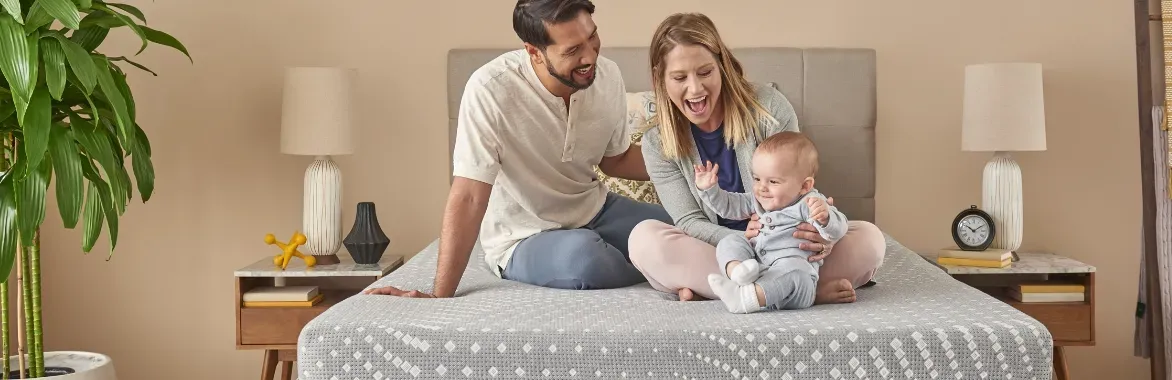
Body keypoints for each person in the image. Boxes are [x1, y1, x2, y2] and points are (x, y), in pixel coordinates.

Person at [363, 0, 673, 298]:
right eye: (573, 50)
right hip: (525, 235)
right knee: (586, 258)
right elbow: (470, 195)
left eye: (592, 37)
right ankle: (669, 270)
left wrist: (689, 162)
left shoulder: (607, 76)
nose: (590, 56)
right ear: (534, 52)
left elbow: (616, 160)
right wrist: (439, 294)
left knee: (686, 230)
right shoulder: (490, 89)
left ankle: (674, 264)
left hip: (594, 209)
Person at [628, 12, 886, 305]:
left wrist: (824, 235)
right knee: (644, 240)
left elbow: (797, 186)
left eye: (705, 73)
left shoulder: (768, 107)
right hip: (721, 251)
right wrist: (739, 240)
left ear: (722, 67)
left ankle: (735, 291)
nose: (695, 89)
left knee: (869, 239)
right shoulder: (657, 143)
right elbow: (689, 220)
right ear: (660, 79)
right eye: (679, 77)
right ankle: (801, 292)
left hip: (787, 248)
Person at [695, 131, 850, 313]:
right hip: (756, 267)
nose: (762, 188)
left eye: (773, 181)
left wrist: (825, 218)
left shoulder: (809, 202)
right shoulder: (757, 199)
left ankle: (745, 299)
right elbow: (729, 206)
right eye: (757, 178)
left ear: (804, 186)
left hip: (792, 279)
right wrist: (710, 190)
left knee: (796, 273)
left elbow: (840, 226)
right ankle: (738, 273)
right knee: (730, 242)